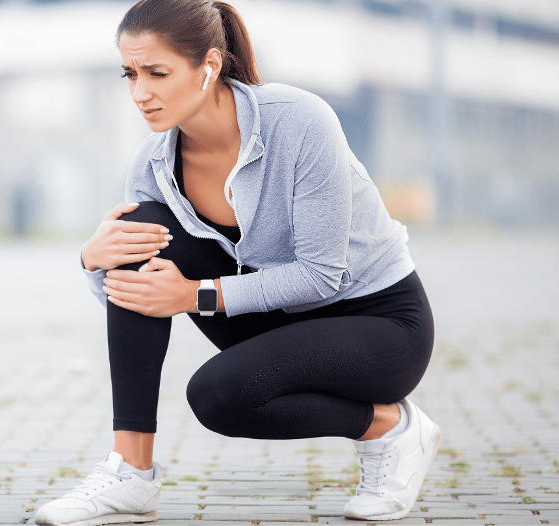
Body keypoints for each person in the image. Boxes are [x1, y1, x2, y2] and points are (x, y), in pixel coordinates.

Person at [34, 0, 440, 523]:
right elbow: (134, 293)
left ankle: (390, 428)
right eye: (130, 74)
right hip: (274, 319)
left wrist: (196, 294)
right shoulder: (154, 165)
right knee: (140, 227)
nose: (140, 93)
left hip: (377, 324)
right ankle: (129, 474)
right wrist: (93, 259)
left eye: (157, 73)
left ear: (209, 66)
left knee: (215, 394)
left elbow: (322, 275)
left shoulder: (298, 121)